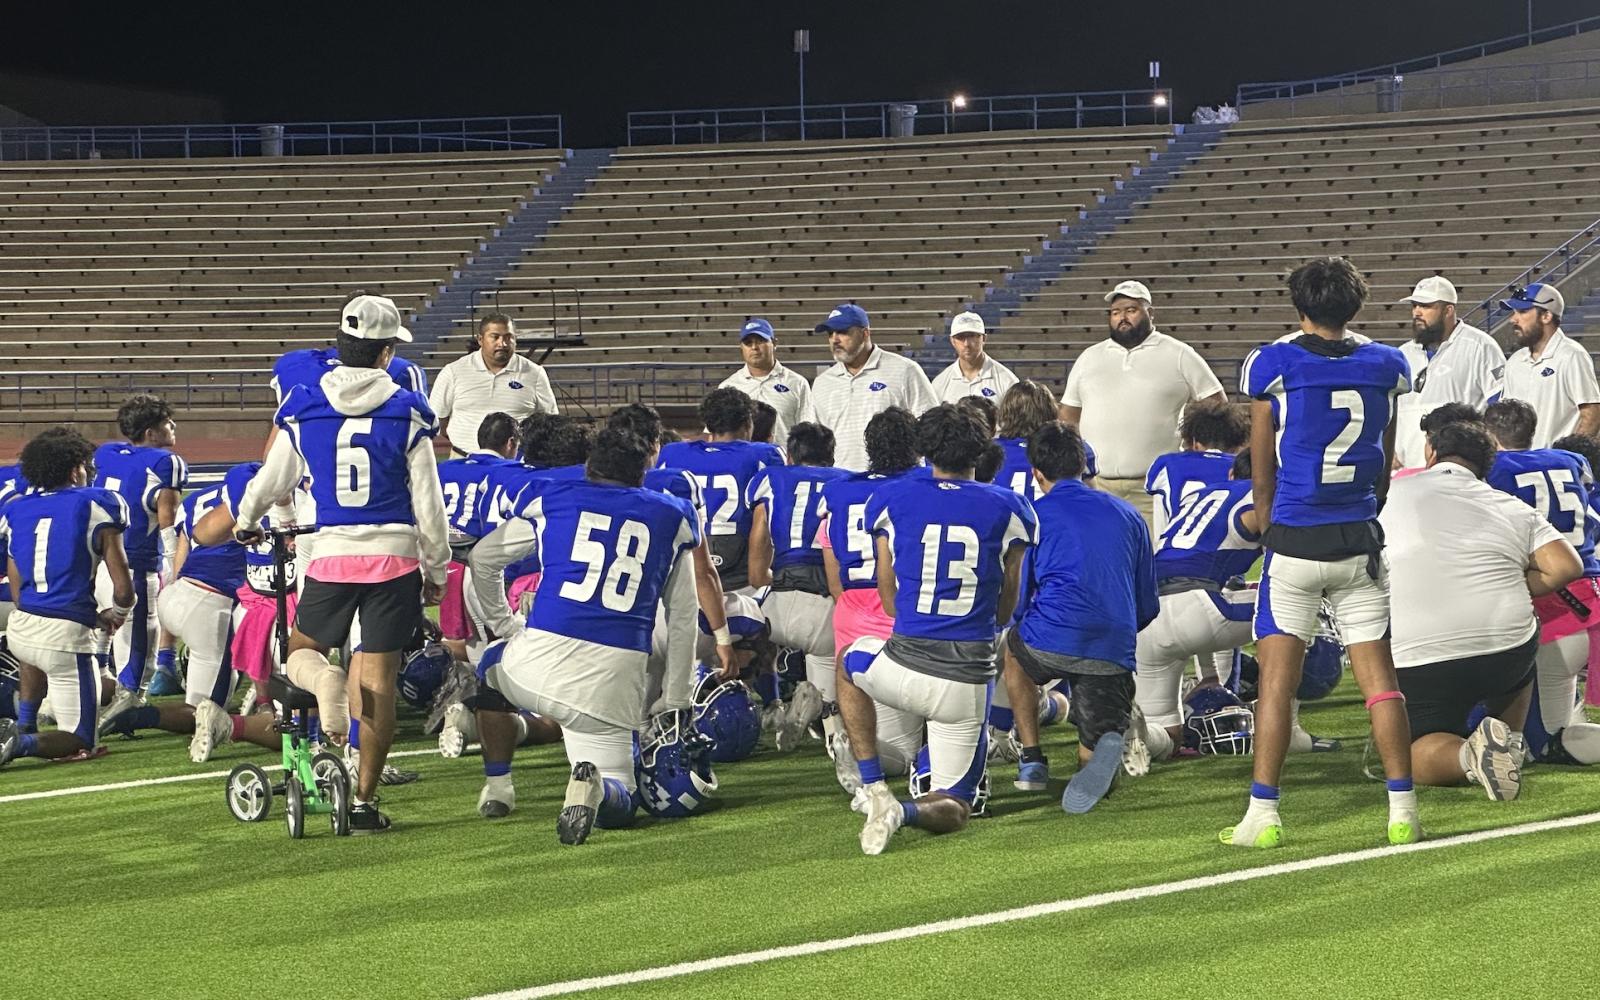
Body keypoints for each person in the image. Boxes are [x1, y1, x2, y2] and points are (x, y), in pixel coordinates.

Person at [233, 301, 450, 833]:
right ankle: (363, 801)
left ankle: (325, 685)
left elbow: (272, 480)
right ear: (386, 351)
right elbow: (429, 503)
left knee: (302, 650)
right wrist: (436, 569)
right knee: (377, 684)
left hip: (332, 554)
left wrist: (246, 519)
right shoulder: (408, 408)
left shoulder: (304, 402)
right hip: (394, 557)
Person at [1233, 256, 1417, 850]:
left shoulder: (1274, 363)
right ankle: (1402, 811)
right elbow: (1385, 464)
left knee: (1276, 688)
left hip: (1295, 538)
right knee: (1381, 685)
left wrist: (1268, 522)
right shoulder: (1387, 364)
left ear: (1299, 306)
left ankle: (1263, 816)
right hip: (1358, 536)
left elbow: (1262, 467)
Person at [467, 427, 702, 846]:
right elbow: (683, 616)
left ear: (590, 466)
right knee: (623, 800)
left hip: (533, 669)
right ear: (643, 472)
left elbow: (482, 560)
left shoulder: (554, 499)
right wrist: (678, 695)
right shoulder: (671, 515)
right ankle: (595, 786)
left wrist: (505, 627)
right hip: (611, 684)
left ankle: (498, 782)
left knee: (490, 664)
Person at [837, 405, 1036, 855]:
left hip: (900, 665)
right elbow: (1007, 607)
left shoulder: (893, 498)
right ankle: (902, 812)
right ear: (981, 450)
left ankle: (872, 785)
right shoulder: (1010, 507)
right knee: (956, 806)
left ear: (925, 448)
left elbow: (888, 599)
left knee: (849, 662)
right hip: (962, 685)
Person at [1381, 420, 1582, 797]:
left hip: (1419, 653)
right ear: (1487, 465)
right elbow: (1566, 567)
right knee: (1519, 650)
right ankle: (1509, 742)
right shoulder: (1508, 504)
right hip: (1504, 651)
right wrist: (1509, 584)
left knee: (1412, 751)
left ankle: (1469, 756)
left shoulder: (1391, 492)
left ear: (1431, 452)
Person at [1002, 422, 1156, 812]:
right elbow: (1147, 603)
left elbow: (1019, 599)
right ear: (1083, 465)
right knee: (1093, 760)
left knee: (1014, 654)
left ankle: (1032, 758)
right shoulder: (1129, 514)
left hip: (1049, 637)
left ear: (1037, 473)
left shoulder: (1033, 516)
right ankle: (1099, 745)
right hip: (1112, 645)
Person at [0, 428, 133, 766]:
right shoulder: (97, 503)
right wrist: (116, 613)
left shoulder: (16, 509)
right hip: (64, 639)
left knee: (36, 651)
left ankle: (25, 721)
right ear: (75, 470)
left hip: (22, 628)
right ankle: (18, 743)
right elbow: (123, 588)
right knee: (80, 739)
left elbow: (18, 589)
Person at [1482, 400, 1600, 764]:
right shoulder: (1570, 461)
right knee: (1558, 725)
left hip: (1550, 609)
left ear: (1489, 434)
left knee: (1538, 742)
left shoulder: (1495, 470)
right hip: (1588, 599)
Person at [1059, 280, 1225, 531]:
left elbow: (1216, 405)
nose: (1122, 318)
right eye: (1115, 313)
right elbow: (1068, 416)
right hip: (1097, 487)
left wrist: (1195, 448)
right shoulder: (1089, 357)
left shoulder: (1178, 353)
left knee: (1153, 561)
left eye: (1130, 310)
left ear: (1150, 313)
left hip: (1154, 487)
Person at [1133, 448, 1261, 763]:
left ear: (1232, 474)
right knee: (1301, 600)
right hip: (1203, 607)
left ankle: (1131, 729)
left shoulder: (1200, 497)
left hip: (1146, 616)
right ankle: (1291, 726)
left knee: (1168, 737)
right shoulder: (1263, 496)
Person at [818, 407, 922, 783]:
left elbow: (833, 576)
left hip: (850, 614)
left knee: (865, 714)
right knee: (908, 750)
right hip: (902, 614)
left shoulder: (839, 490)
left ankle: (852, 744)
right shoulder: (922, 486)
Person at [748, 422, 849, 751]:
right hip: (823, 608)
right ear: (831, 457)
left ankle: (769, 703)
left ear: (789, 456)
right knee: (828, 667)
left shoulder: (770, 479)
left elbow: (756, 561)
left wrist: (768, 584)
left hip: (776, 606)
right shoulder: (846, 482)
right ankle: (832, 729)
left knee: (746, 628)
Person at [94, 394, 188, 733]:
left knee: (106, 628)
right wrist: (172, 567)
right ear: (150, 432)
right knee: (138, 643)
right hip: (136, 565)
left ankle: (98, 689)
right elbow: (167, 519)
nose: (173, 427)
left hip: (101, 562)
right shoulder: (166, 462)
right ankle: (129, 700)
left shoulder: (106, 454)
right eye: (167, 423)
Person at [656, 389, 784, 594]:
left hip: (689, 568)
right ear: (748, 423)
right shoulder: (765, 454)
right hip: (743, 575)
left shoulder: (672, 452)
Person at [1392, 277, 1505, 469]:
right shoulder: (1404, 353)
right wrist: (1391, 452)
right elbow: (1392, 408)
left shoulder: (1480, 346)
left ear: (1448, 310)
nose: (1417, 312)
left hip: (1461, 466)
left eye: (1426, 306)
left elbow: (1498, 408)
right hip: (1407, 466)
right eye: (1415, 305)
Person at [811, 304, 939, 471]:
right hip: (845, 482)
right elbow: (818, 440)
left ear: (865, 333)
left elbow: (931, 424)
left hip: (896, 479)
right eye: (830, 334)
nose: (835, 339)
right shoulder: (823, 382)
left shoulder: (904, 370)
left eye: (842, 332)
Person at [435, 412, 521, 661]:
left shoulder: (446, 468)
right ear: (510, 443)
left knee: (470, 636)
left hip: (440, 559)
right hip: (475, 562)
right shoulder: (511, 471)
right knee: (491, 637)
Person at [429, 314, 558, 457]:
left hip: (515, 465)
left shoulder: (534, 373)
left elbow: (549, 421)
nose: (502, 343)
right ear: (480, 339)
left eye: (508, 337)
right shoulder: (454, 371)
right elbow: (438, 418)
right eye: (495, 337)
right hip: (463, 459)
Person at [1500, 282, 1600, 448]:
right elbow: (1508, 417)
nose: (1513, 319)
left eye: (1523, 311)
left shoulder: (1572, 355)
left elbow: (1592, 414)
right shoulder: (1515, 361)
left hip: (1558, 467)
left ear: (1546, 316)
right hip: (1523, 464)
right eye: (1514, 312)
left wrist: (1570, 456)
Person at [1144, 397, 1249, 537]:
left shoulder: (1167, 465)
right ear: (1236, 443)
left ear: (1194, 442)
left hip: (1174, 551)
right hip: (1226, 550)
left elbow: (1161, 526)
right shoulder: (1243, 466)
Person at [719, 318, 816, 447]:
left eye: (760, 341)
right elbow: (716, 434)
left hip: (783, 464)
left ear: (774, 343)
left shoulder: (797, 383)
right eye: (748, 343)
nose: (754, 347)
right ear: (741, 347)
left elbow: (807, 431)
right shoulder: (728, 387)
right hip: (741, 465)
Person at [930, 312, 1020, 404]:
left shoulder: (1007, 381)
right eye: (960, 337)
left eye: (972, 336)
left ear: (984, 339)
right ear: (952, 341)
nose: (967, 344)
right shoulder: (939, 384)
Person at [994, 380, 1060, 500]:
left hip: (1005, 517)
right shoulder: (1065, 450)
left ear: (1006, 413)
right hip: (1050, 517)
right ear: (1050, 411)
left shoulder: (988, 451)